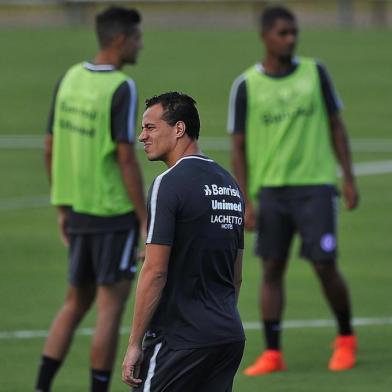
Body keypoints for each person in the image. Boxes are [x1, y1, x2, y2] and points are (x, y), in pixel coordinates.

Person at [227, 6, 359, 375]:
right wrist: (244, 198)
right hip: (270, 192)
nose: (290, 39)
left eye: (294, 32)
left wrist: (347, 177)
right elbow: (237, 144)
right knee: (271, 268)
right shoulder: (247, 85)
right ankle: (272, 352)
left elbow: (336, 126)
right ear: (265, 36)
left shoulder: (315, 73)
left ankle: (346, 337)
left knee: (324, 265)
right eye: (283, 33)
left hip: (316, 187)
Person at [35, 7, 147, 392]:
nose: (141, 45)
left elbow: (50, 146)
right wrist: (144, 216)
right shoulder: (120, 86)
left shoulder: (70, 78)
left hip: (79, 209)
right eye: (137, 38)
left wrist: (62, 205)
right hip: (113, 212)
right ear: (119, 40)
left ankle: (41, 386)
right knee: (109, 310)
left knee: (72, 304)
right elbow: (126, 156)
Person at [121, 92, 245, 391]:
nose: (142, 136)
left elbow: (155, 271)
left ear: (179, 129)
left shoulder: (169, 183)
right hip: (226, 335)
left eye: (150, 127)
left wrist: (135, 343)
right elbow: (235, 274)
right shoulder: (228, 183)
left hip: (179, 341)